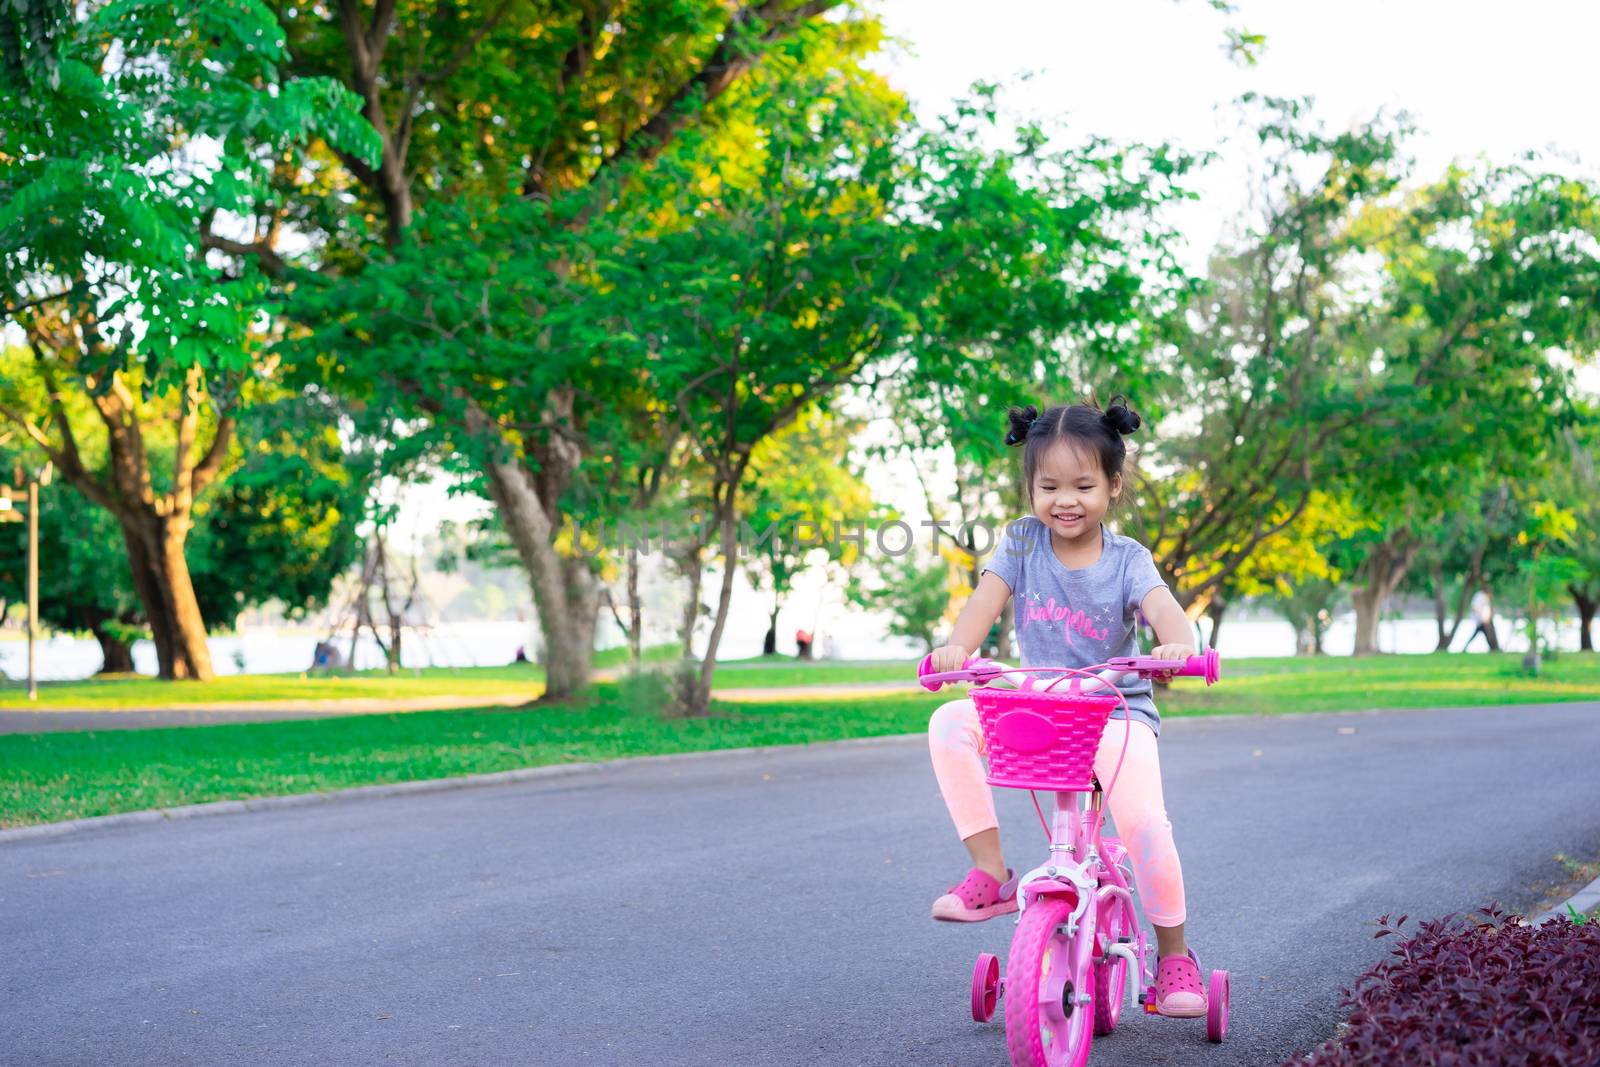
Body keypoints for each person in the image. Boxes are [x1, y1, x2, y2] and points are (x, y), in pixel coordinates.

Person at [923, 398, 1211, 1018]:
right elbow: (984, 601)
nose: (1065, 499)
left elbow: (1162, 609)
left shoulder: (1127, 558)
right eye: (1048, 485)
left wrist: (1177, 642)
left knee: (1145, 825)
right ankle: (990, 871)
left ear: (1112, 484)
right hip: (1041, 705)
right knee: (949, 722)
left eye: (1083, 484)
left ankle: (1174, 958)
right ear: (1030, 488)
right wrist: (956, 648)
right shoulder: (1023, 543)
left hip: (1114, 713)